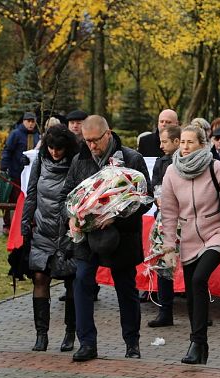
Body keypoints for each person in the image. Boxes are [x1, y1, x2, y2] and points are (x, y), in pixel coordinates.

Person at [56, 115, 152, 362]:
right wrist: (72, 215)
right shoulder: (80, 159)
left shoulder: (131, 159)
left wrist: (115, 217)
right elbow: (67, 195)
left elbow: (145, 198)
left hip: (121, 236)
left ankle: (132, 343)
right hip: (87, 237)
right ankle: (87, 343)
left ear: (107, 133)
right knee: (82, 281)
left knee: (125, 288)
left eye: (95, 140)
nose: (91, 146)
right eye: (86, 141)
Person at [161, 124, 220, 364]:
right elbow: (169, 212)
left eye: (190, 142)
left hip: (215, 233)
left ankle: (196, 343)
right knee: (193, 294)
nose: (185, 147)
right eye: (182, 142)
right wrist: (168, 247)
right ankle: (200, 344)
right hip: (188, 238)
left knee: (198, 280)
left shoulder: (216, 168)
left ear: (202, 144)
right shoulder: (172, 172)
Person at [21, 125, 79, 352]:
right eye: (51, 147)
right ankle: (41, 334)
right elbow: (31, 192)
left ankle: (70, 332)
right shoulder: (41, 162)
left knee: (72, 282)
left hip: (68, 232)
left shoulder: (76, 163)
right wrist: (25, 223)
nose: (55, 152)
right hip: (43, 231)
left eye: (59, 148)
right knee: (39, 278)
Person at [148, 125, 181, 328]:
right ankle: (165, 311)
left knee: (195, 267)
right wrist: (158, 200)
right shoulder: (160, 163)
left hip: (189, 219)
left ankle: (200, 310)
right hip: (166, 219)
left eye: (165, 142)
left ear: (177, 142)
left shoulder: (191, 162)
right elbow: (155, 187)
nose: (160, 146)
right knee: (164, 265)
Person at [0, 112, 40, 234]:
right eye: (28, 121)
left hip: (31, 175)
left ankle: (26, 224)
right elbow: (8, 150)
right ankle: (7, 225)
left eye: (33, 121)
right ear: (23, 121)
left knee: (29, 200)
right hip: (16, 173)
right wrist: (4, 166)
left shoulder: (38, 135)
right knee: (12, 199)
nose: (31, 123)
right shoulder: (16, 134)